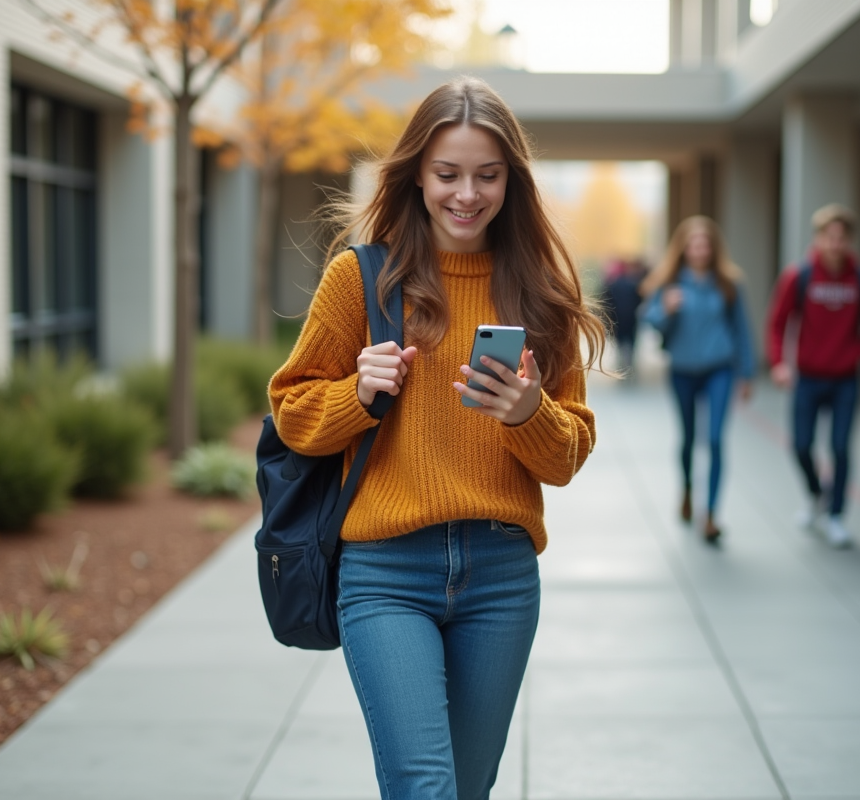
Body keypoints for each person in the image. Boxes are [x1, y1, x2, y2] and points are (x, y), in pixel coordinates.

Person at [268, 77, 605, 800]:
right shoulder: (362, 281)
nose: (466, 194)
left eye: (487, 175)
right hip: (386, 573)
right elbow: (292, 412)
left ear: (512, 180)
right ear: (416, 174)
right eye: (447, 174)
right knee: (426, 788)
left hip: (501, 577)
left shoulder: (540, 291)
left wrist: (527, 412)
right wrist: (357, 394)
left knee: (468, 790)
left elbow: (569, 453)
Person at [766, 204, 860, 548]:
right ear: (818, 239)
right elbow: (778, 322)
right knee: (801, 446)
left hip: (846, 380)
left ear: (850, 241)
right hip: (807, 377)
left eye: (841, 238)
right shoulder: (800, 276)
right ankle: (815, 494)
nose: (835, 244)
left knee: (840, 448)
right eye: (828, 237)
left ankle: (836, 516)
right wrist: (779, 362)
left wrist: (859, 351)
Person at [641, 216, 755, 543]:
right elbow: (651, 323)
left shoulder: (729, 283)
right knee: (689, 439)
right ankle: (688, 489)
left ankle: (712, 514)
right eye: (693, 244)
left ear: (713, 248)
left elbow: (742, 331)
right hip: (683, 371)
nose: (699, 249)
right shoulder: (670, 283)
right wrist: (666, 309)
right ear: (684, 248)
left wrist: (746, 374)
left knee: (716, 439)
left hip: (720, 368)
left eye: (705, 244)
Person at [603, 257, 646, 373]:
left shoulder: (613, 285)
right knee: (631, 342)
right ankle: (629, 363)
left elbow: (607, 302)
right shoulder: (633, 284)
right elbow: (639, 300)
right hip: (631, 318)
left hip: (617, 318)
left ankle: (621, 363)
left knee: (620, 342)